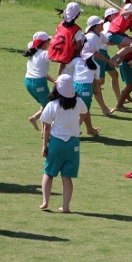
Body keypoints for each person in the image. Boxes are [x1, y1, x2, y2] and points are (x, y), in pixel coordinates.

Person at [39, 75, 88, 213]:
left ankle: (45, 201)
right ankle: (65, 206)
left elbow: (46, 127)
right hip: (73, 143)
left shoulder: (52, 105)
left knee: (49, 173)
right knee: (67, 177)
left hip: (56, 142)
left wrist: (44, 146)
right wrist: (78, 124)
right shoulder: (78, 102)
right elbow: (85, 113)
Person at [84, 15, 118, 115]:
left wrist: (125, 41)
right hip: (86, 64)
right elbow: (95, 53)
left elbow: (109, 42)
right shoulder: (91, 37)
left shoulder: (99, 35)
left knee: (96, 85)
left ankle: (104, 109)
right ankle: (104, 109)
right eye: (100, 23)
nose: (103, 24)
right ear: (95, 26)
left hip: (89, 64)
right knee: (95, 86)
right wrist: (108, 61)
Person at [23, 31, 54, 131]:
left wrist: (54, 81)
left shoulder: (33, 54)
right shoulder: (44, 53)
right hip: (38, 83)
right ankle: (47, 131)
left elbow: (42, 73)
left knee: (45, 104)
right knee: (49, 107)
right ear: (45, 43)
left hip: (28, 83)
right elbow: (56, 58)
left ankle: (34, 118)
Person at [48, 2, 85, 76]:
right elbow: (78, 46)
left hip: (60, 51)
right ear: (77, 16)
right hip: (69, 54)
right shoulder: (76, 29)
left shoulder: (60, 25)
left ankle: (59, 80)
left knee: (62, 64)